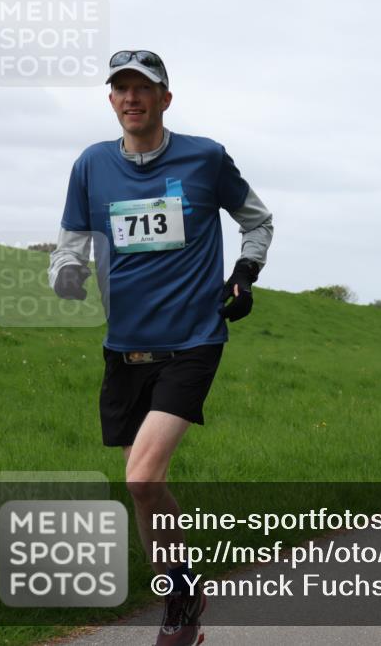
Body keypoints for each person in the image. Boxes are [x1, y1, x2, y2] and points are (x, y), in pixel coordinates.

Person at [49, 50, 274, 646]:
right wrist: (66, 272)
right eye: (120, 88)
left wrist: (245, 274)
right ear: (111, 99)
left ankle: (178, 609)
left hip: (193, 339)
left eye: (142, 88)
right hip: (125, 346)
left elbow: (257, 220)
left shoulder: (204, 157)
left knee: (143, 478)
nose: (131, 98)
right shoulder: (91, 165)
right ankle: (186, 590)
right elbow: (69, 243)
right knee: (145, 485)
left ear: (164, 99)